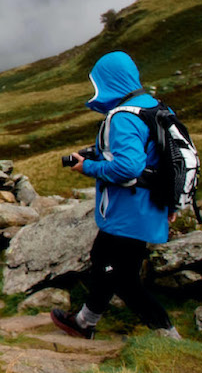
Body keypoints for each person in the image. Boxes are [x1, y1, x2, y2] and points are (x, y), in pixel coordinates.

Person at [50, 50, 182, 341]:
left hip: (129, 210)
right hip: (150, 206)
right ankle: (85, 321)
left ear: (109, 81)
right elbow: (162, 157)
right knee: (107, 262)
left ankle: (168, 336)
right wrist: (174, 201)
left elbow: (128, 167)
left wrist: (88, 167)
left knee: (121, 277)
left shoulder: (122, 117)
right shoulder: (153, 107)